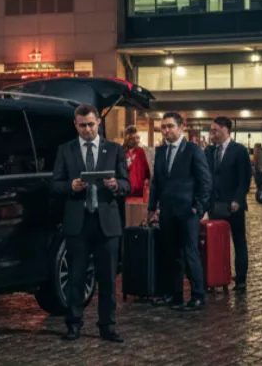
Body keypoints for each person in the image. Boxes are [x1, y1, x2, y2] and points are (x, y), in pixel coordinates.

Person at [51, 104, 129, 342]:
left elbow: (128, 184)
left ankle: (107, 326)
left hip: (107, 223)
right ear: (75, 125)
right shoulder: (65, 150)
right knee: (76, 276)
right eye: (82, 125)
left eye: (91, 124)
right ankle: (73, 325)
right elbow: (54, 184)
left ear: (99, 124)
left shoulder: (114, 150)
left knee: (107, 278)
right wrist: (69, 187)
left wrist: (117, 186)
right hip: (78, 222)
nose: (87, 129)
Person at [148, 112, 212, 311]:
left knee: (190, 253)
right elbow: (156, 183)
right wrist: (152, 209)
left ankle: (198, 296)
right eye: (163, 127)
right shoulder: (160, 152)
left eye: (170, 126)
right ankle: (174, 295)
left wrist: (199, 208)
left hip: (188, 212)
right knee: (172, 254)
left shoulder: (193, 150)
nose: (166, 130)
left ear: (181, 127)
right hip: (167, 211)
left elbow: (206, 181)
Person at [206, 116, 252, 291]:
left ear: (226, 129)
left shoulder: (239, 150)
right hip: (215, 205)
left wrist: (238, 200)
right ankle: (218, 275)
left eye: (215, 130)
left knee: (239, 241)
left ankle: (240, 278)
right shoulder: (209, 151)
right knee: (216, 241)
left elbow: (244, 179)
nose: (212, 134)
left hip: (234, 206)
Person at [123, 127, 151, 200]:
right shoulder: (121, 151)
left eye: (135, 137)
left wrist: (147, 180)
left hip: (139, 191)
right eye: (131, 138)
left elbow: (146, 169)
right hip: (125, 190)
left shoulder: (140, 151)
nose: (134, 140)